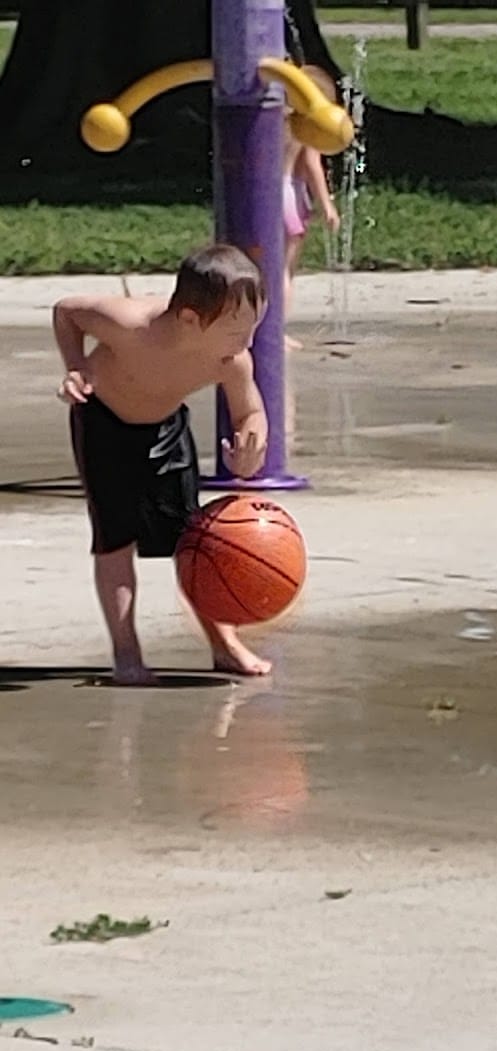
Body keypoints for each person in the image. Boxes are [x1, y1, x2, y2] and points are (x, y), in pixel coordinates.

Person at [53, 243, 272, 685]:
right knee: (115, 541)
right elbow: (66, 311)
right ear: (190, 319)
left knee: (195, 543)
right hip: (104, 425)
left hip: (167, 430)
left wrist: (252, 448)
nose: (246, 344)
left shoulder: (231, 360)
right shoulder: (130, 325)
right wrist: (75, 367)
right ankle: (126, 652)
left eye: (253, 329)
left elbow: (251, 412)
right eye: (235, 331)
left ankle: (223, 643)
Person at [283, 65, 341, 352]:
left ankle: (257, 329)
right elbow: (311, 166)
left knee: (261, 269)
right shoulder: (305, 127)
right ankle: (275, 331)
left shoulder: (274, 120)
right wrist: (326, 204)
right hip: (289, 197)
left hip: (264, 194)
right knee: (284, 271)